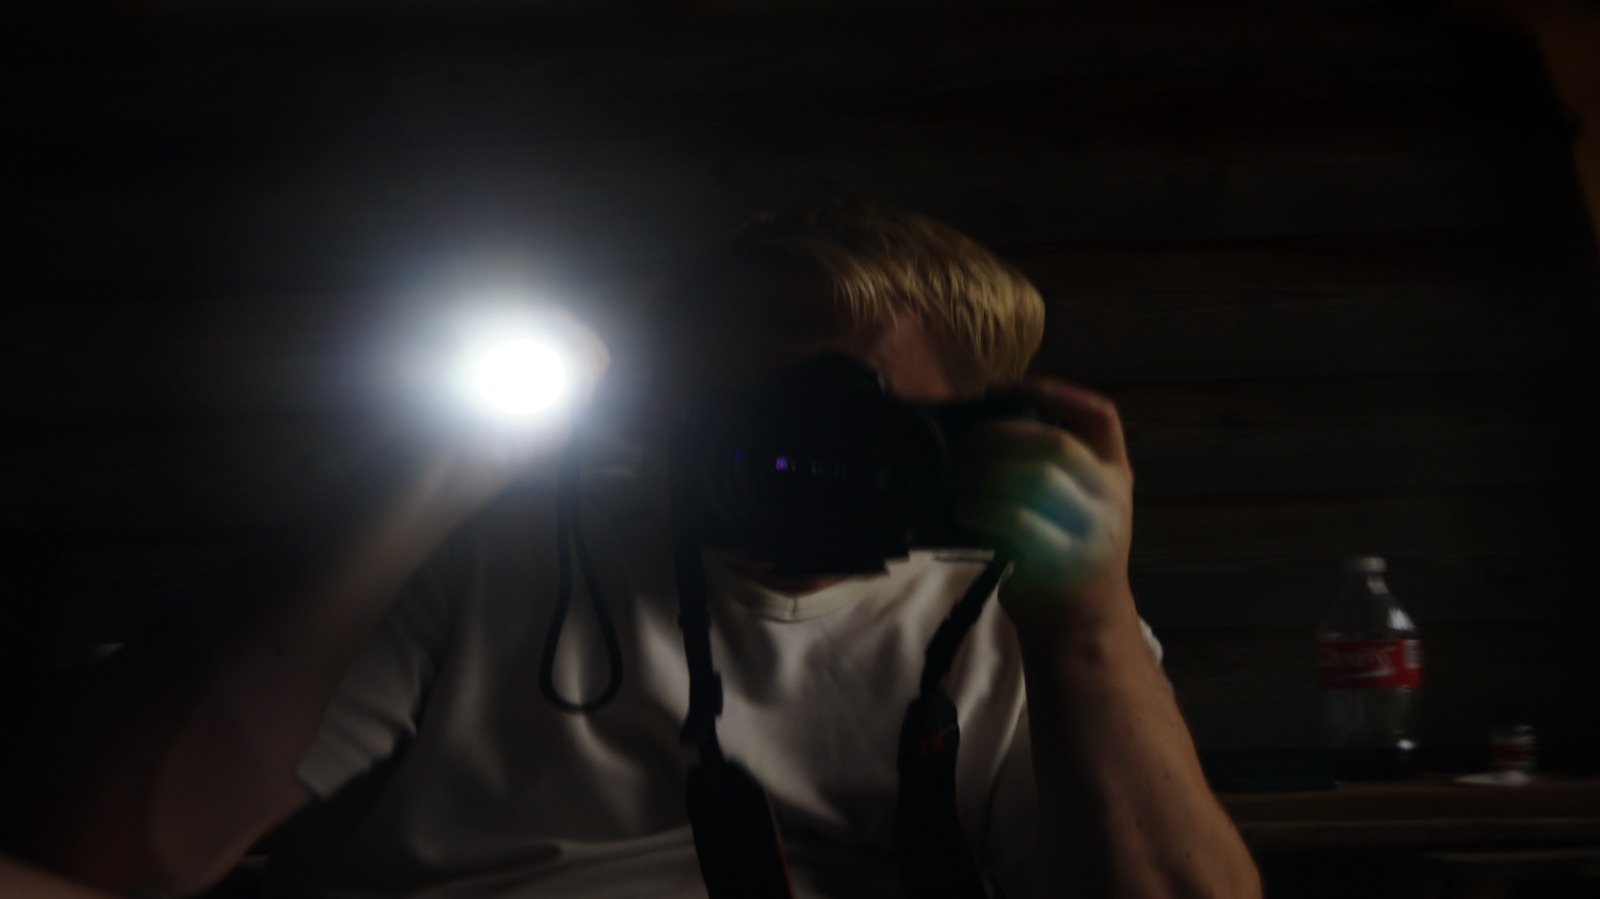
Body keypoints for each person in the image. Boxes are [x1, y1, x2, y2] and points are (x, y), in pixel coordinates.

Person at [1, 204, 1260, 898]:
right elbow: (100, 857)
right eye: (750, 420)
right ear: (656, 413)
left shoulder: (1022, 604)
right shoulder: (483, 547)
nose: (796, 463)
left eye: (858, 427)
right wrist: (417, 479)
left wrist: (1088, 625)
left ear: (974, 433)